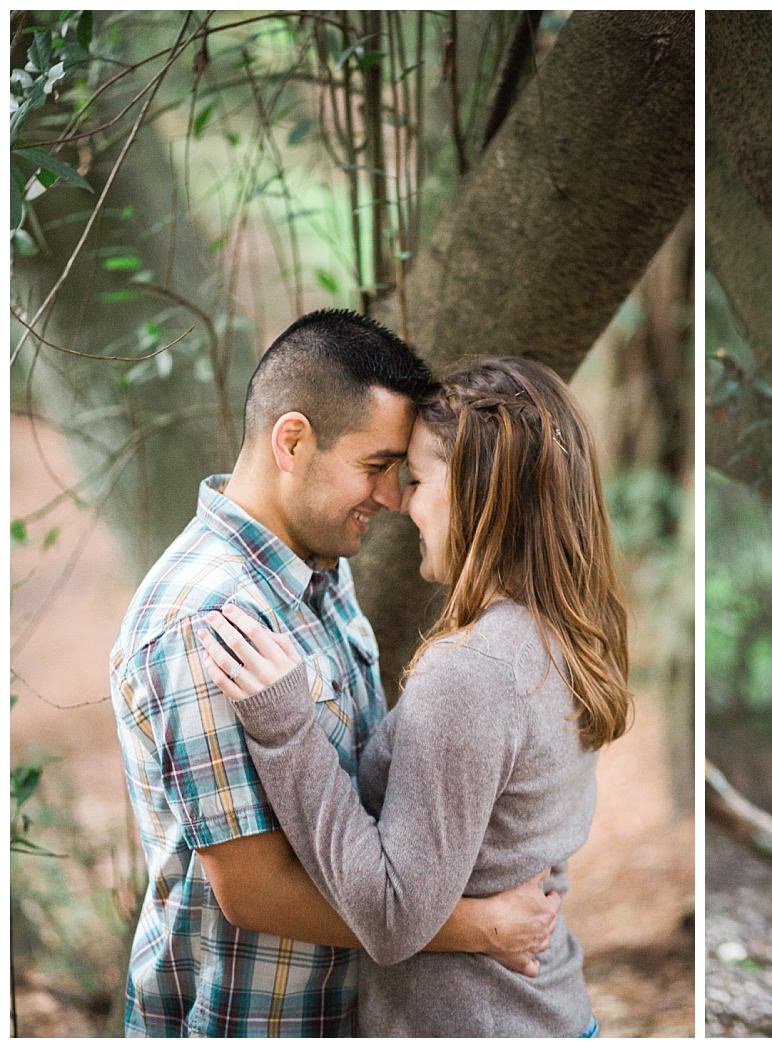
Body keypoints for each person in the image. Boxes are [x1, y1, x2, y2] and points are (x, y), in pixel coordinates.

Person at [111, 312, 559, 1037]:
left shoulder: (321, 574)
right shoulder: (204, 619)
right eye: (377, 466)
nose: (392, 498)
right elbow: (253, 891)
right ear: (292, 440)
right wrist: (481, 927)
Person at [195, 356, 632, 1037]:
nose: (399, 501)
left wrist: (287, 732)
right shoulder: (559, 635)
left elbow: (394, 916)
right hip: (542, 1014)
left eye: (419, 479)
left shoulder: (473, 673)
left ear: (481, 494)